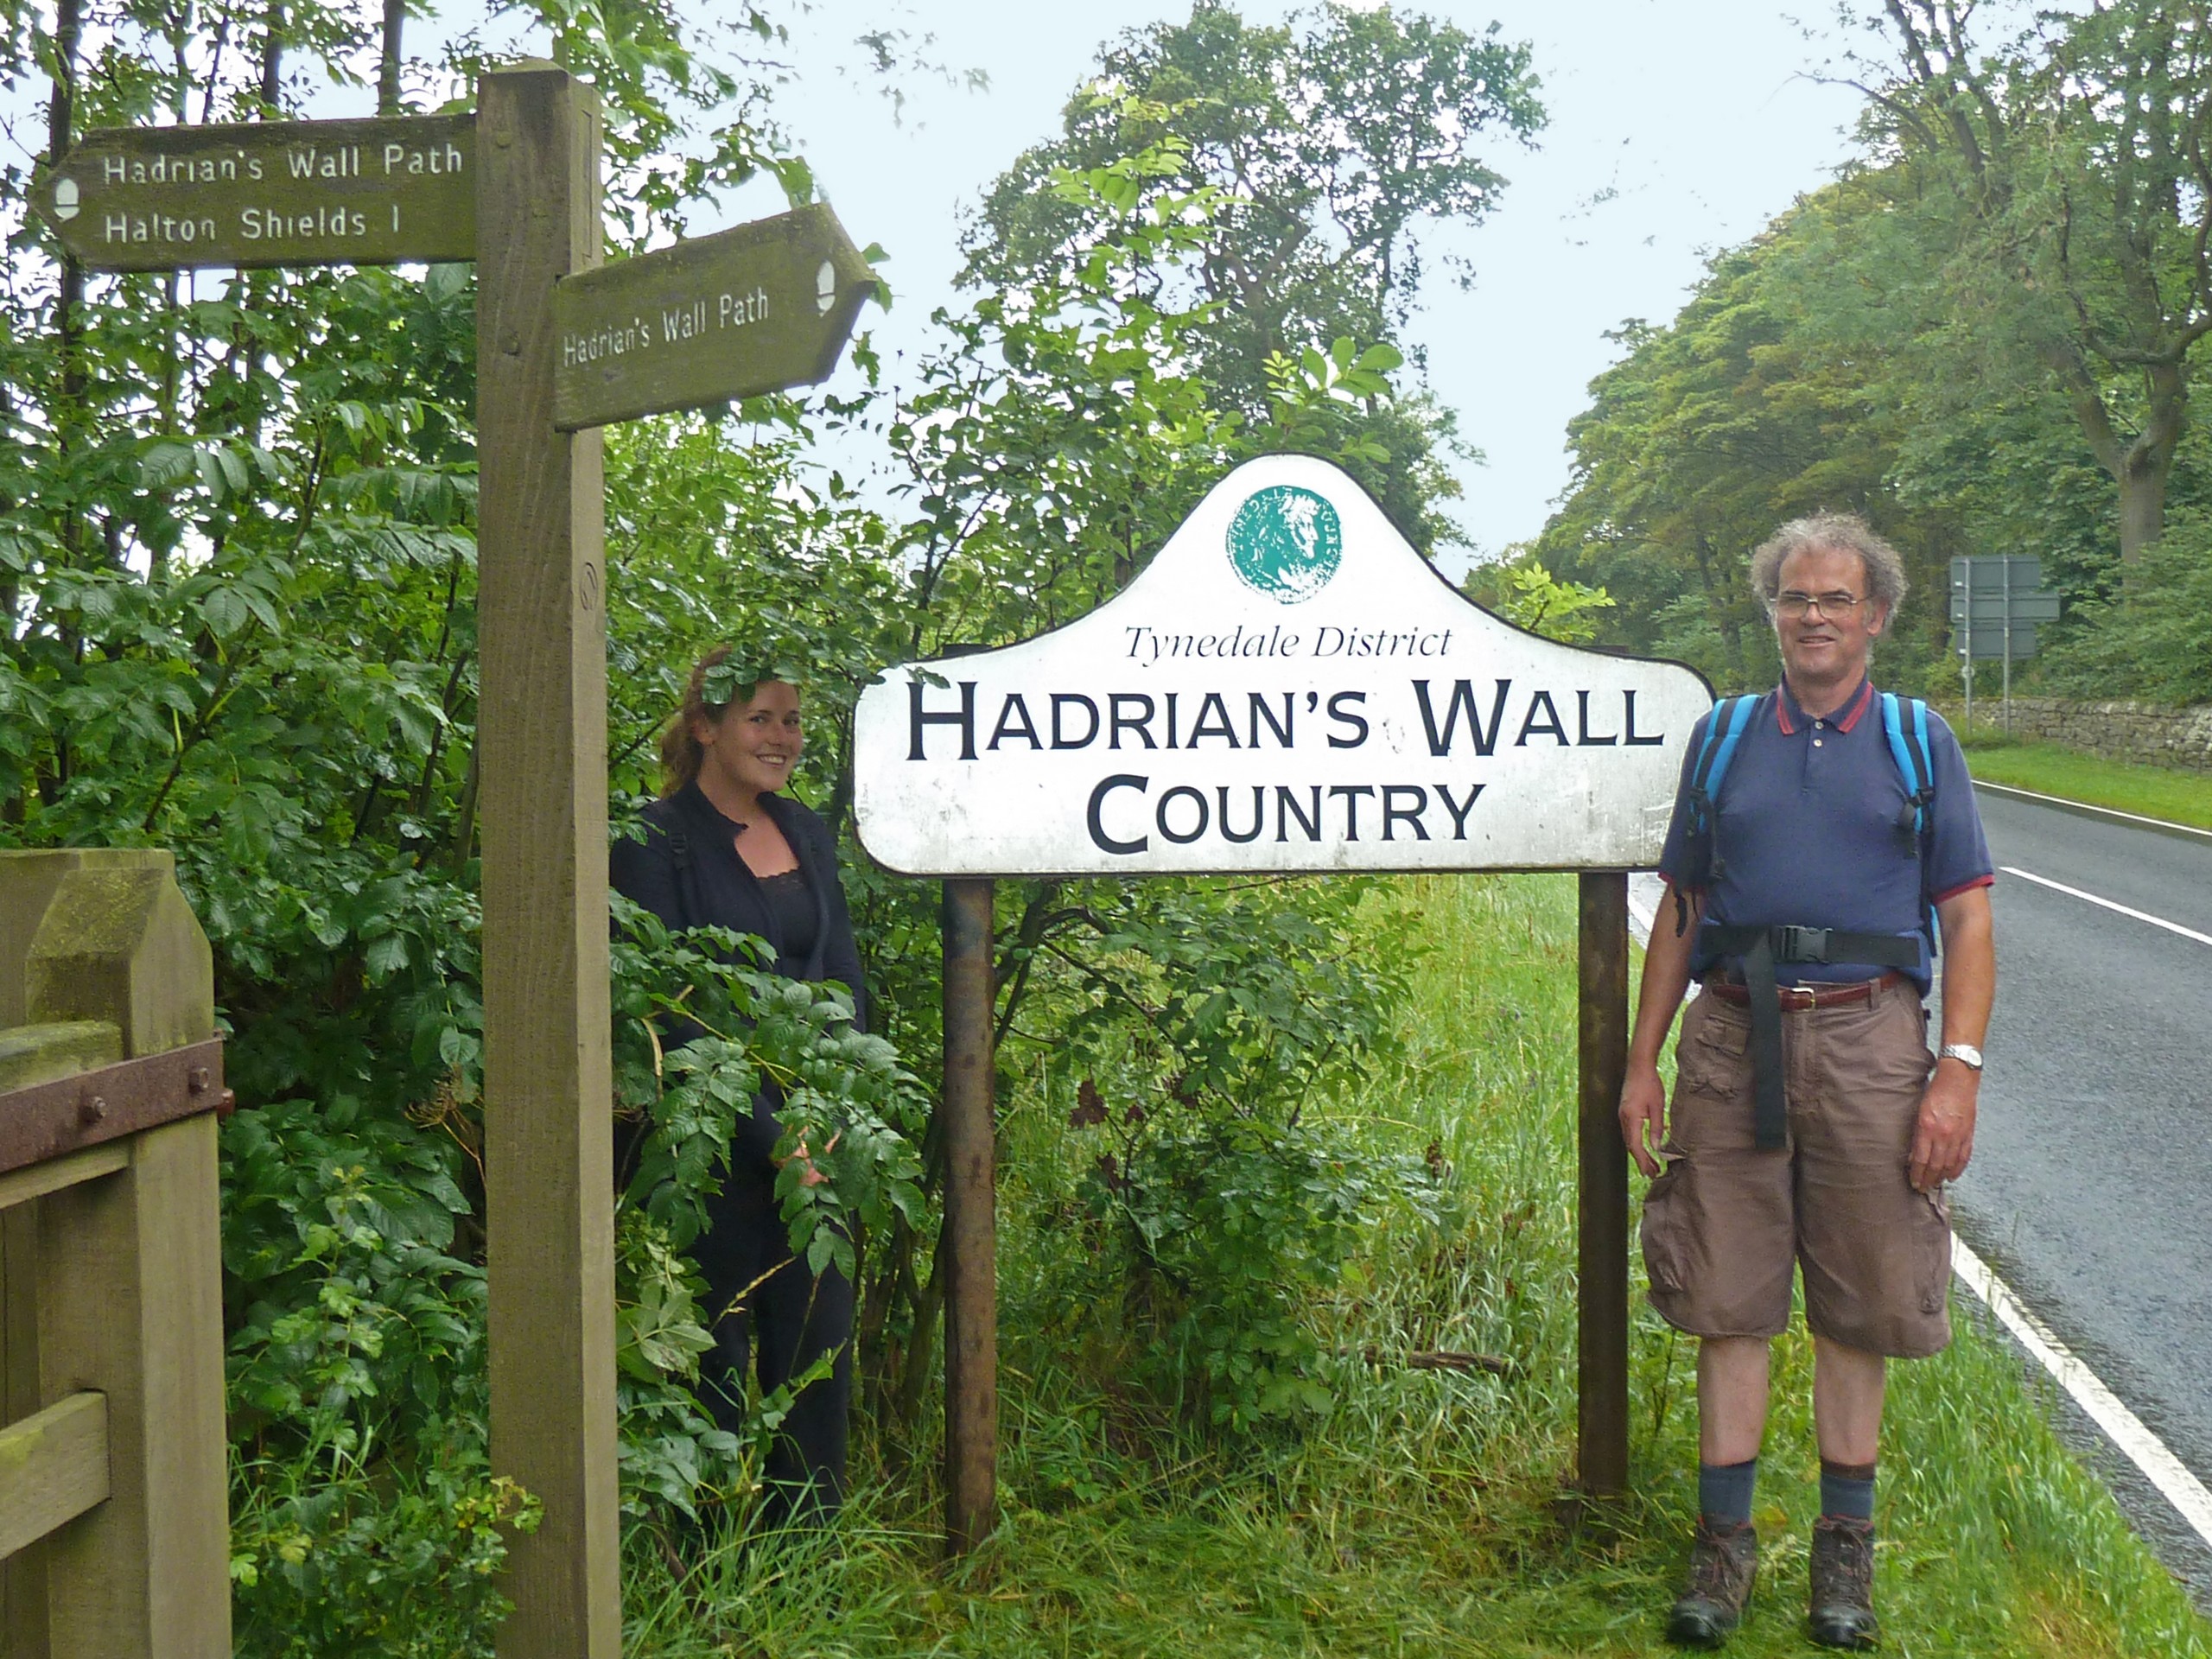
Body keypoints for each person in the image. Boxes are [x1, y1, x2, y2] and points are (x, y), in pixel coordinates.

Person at [1618, 514, 1996, 1650]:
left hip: (1874, 1040)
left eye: (1836, 599)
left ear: (1874, 616)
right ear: (1772, 612)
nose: (1815, 616)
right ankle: (1721, 1557)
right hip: (1733, 1039)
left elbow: (1968, 917)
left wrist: (1957, 1073)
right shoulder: (1726, 738)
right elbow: (1682, 907)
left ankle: (1844, 1565)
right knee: (1728, 1298)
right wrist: (1643, 1061)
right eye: (1795, 598)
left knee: (1860, 1305)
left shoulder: (1920, 742)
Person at [610, 647, 867, 1529]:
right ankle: (707, 1578)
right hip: (706, 1154)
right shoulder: (651, 842)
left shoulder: (805, 831)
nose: (783, 737)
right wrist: (777, 1141)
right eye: (761, 718)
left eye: (793, 720)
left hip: (818, 1151)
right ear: (704, 727)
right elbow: (670, 1016)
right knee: (711, 1373)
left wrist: (831, 1123)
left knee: (815, 1366)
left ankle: (802, 1571)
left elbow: (843, 979)